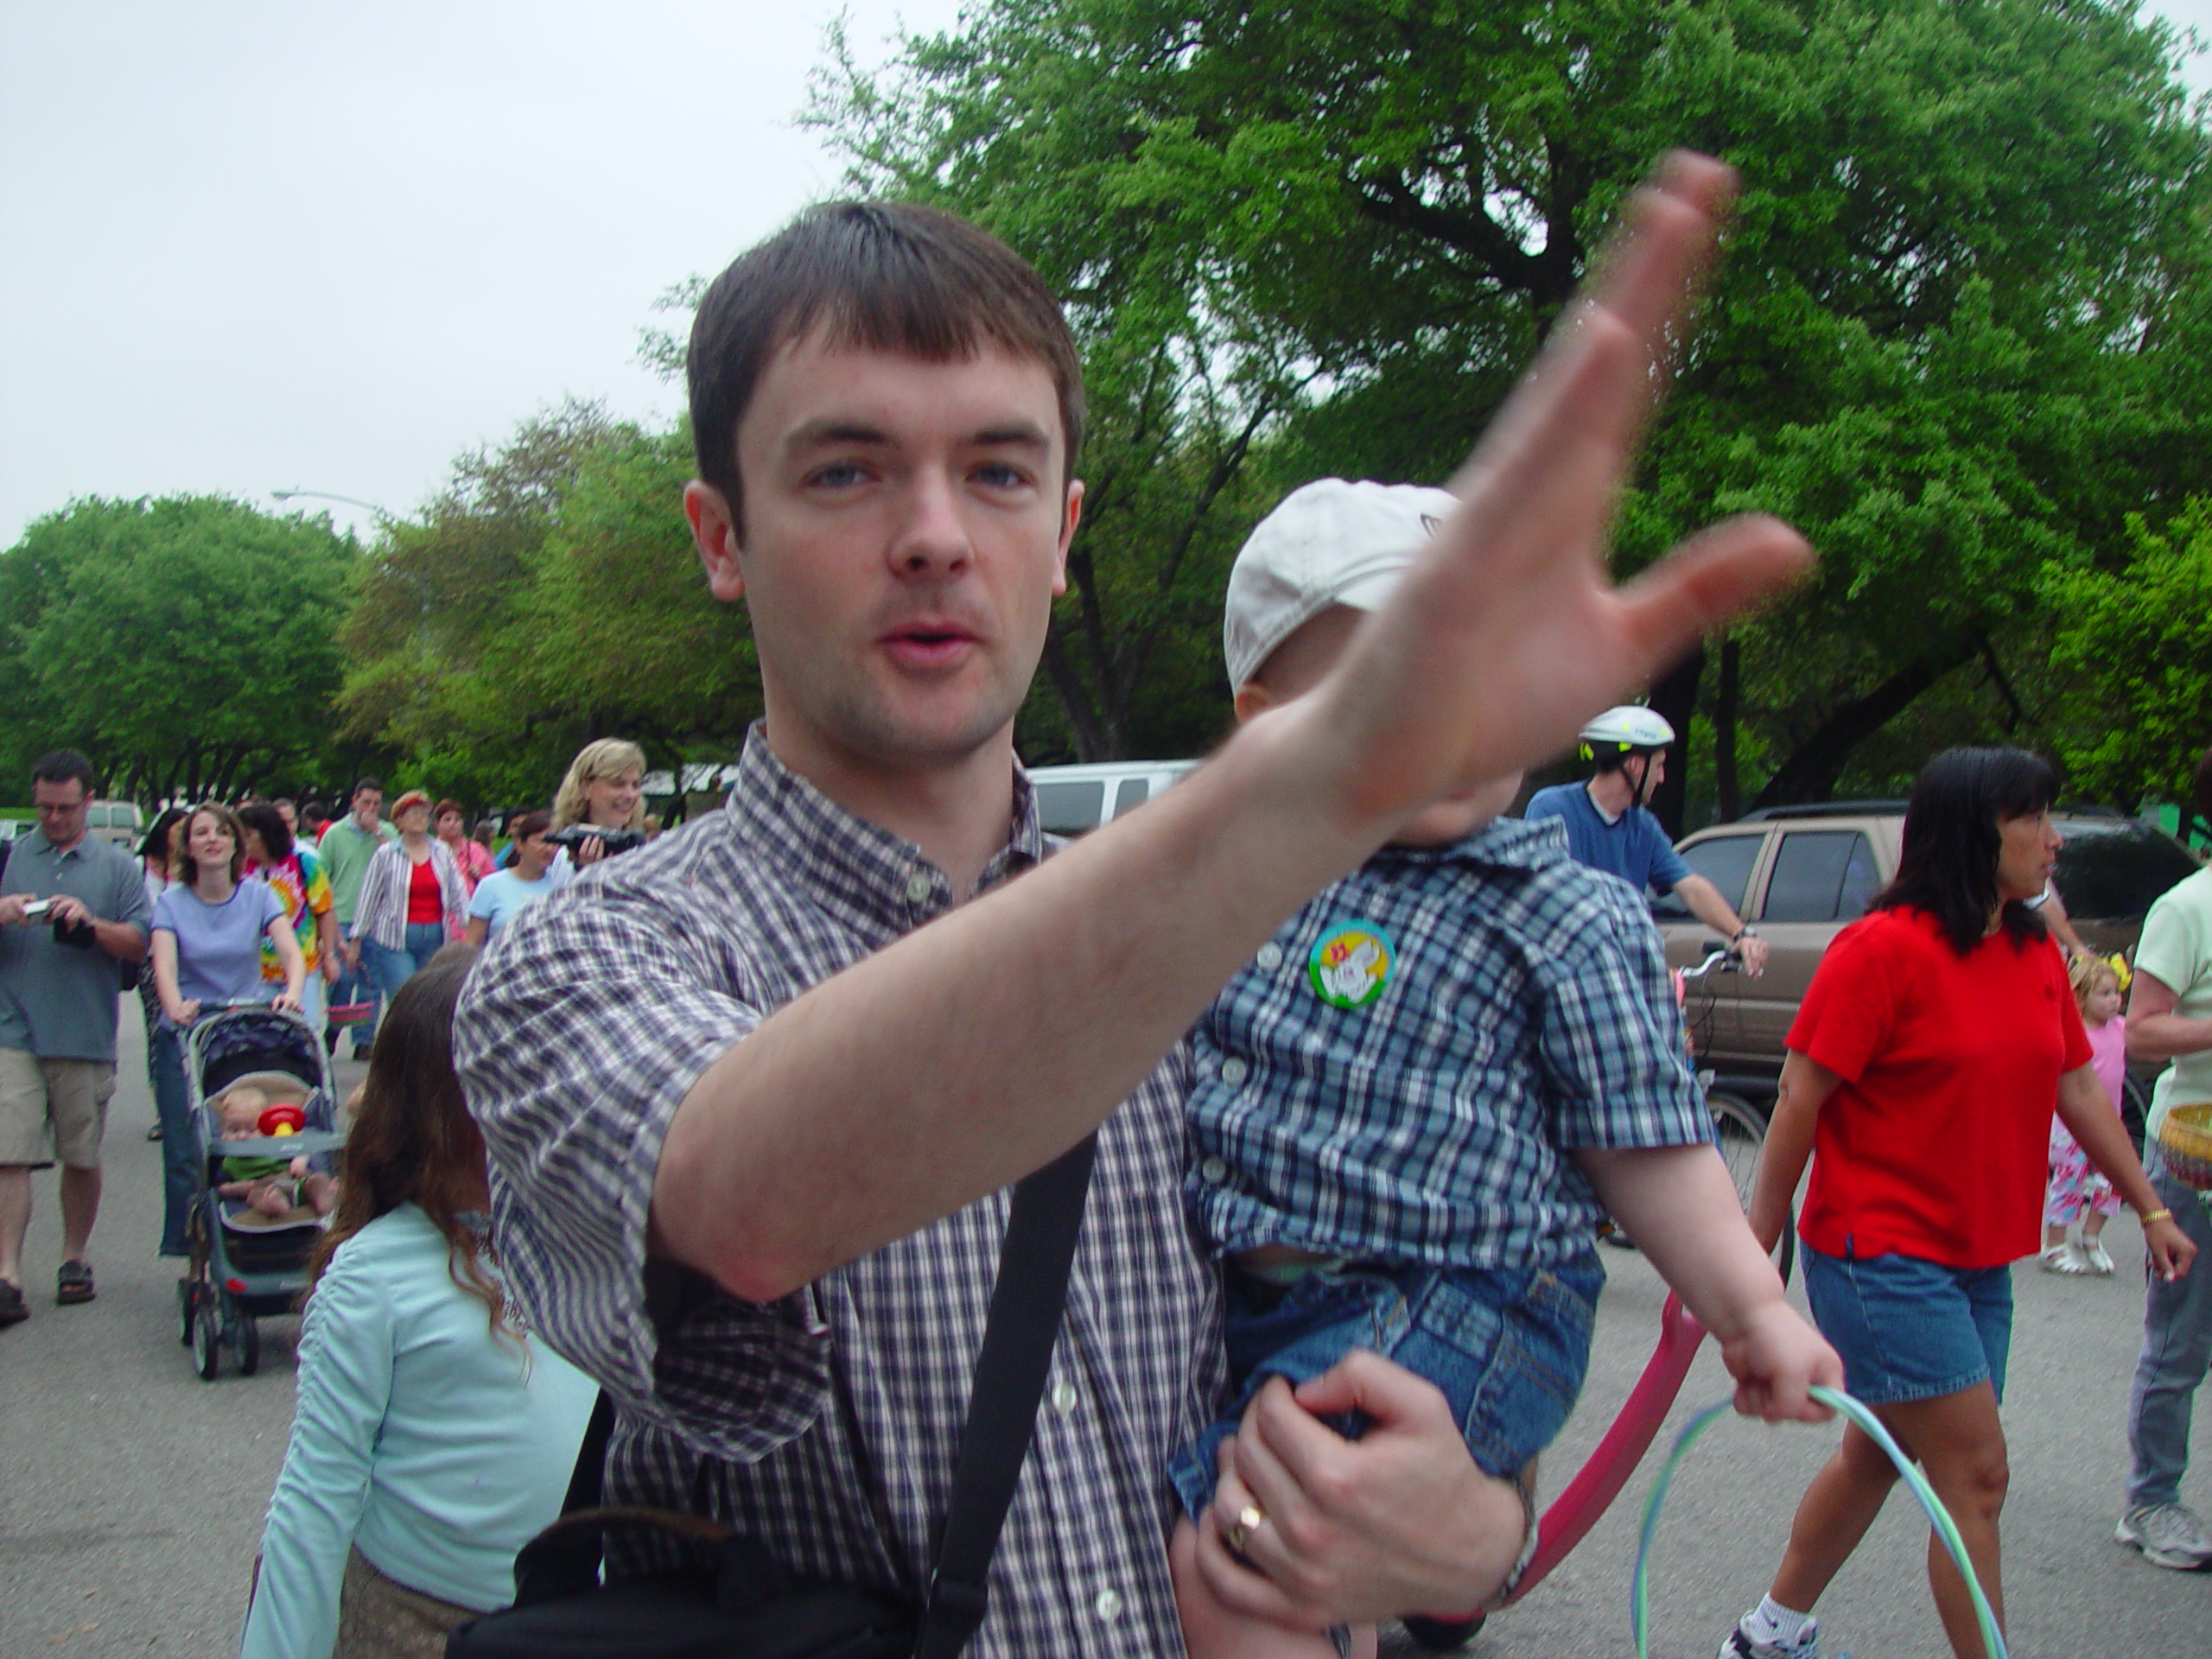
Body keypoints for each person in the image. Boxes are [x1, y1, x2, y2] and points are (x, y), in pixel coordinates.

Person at [454, 158, 1823, 1650]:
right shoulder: (589, 953)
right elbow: (744, 1199)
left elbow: (1418, 1317)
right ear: (720, 536)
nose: (934, 533)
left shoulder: (1282, 945)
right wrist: (1318, 782)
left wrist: (1467, 1527)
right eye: (844, 470)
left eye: (997, 470)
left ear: (1062, 528)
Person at [1166, 480, 1837, 1658]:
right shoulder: (1237, 882)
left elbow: (1645, 1139)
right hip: (1259, 1307)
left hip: (1458, 1297)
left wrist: (1753, 1308)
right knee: (1270, 1555)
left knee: (1248, 1557)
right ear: (1270, 716)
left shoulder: (1557, 910)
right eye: (1400, 685)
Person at [1724, 748, 2192, 1659]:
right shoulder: (1881, 949)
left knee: (1877, 1456)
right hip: (1880, 1254)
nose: (2054, 840)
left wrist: (2149, 1209)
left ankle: (1765, 1636)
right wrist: (1756, 1247)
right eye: (2035, 819)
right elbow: (1798, 1098)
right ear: (1974, 832)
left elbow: (2080, 1090)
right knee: (1974, 1473)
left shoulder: (2030, 952)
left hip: (1978, 1258)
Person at [239, 946, 596, 1659]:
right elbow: (315, 1502)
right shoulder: (375, 1275)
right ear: (444, 1109)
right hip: (421, 1623)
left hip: (588, 1614)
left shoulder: (595, 1241)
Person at [0, 751, 151, 1324]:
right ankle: (8, 1274)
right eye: (44, 807)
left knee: (79, 1155)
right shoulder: (10, 856)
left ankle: (73, 1257)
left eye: (65, 808)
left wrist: (89, 924)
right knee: (8, 1152)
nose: (54, 818)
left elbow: (139, 943)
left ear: (89, 801)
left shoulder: (117, 868)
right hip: (12, 1026)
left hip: (83, 1030)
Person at [2114, 741, 2212, 1571]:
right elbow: (2141, 1031)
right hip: (2194, 1156)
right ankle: (2151, 1501)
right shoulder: (2188, 907)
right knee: (2180, 1343)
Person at [149, 804, 306, 1259]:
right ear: (189, 846)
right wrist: (174, 1002)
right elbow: (164, 962)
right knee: (187, 1147)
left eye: (222, 832)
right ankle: (193, 1245)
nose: (212, 839)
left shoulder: (259, 895)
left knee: (257, 1127)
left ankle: (267, 1220)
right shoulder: (170, 902)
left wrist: (292, 991)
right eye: (202, 833)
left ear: (237, 843)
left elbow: (291, 953)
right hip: (188, 1029)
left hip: (241, 1029)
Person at [1524, 708, 1771, 976]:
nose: (1662, 777)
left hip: (1619, 974)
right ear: (1636, 765)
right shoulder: (1552, 808)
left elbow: (1691, 887)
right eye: (1659, 765)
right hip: (1564, 974)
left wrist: (1741, 934)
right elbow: (1542, 895)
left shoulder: (1643, 826)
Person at [2041, 954, 2128, 1275]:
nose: (2114, 1000)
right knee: (2069, 1180)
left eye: (2116, 993)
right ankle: (2054, 1245)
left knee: (2116, 1179)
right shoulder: (2073, 1034)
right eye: (2104, 994)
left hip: (2109, 1121)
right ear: (2081, 995)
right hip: (2070, 1126)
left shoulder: (2121, 1028)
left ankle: (2091, 1236)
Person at [352, 791, 467, 1008]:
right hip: (395, 939)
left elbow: (457, 890)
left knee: (429, 1000)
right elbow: (368, 898)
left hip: (435, 937)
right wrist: (356, 940)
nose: (419, 818)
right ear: (399, 820)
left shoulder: (441, 852)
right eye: (413, 813)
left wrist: (468, 925)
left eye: (424, 814)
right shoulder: (386, 854)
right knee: (404, 999)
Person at [239, 801, 341, 1039]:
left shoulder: (304, 862)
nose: (242, 840)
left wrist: (329, 955)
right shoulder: (239, 868)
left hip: (303, 965)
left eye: (248, 834)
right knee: (258, 1035)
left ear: (266, 834)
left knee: (303, 1031)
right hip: (255, 971)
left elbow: (324, 910)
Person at [317, 780, 397, 1058]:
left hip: (377, 918)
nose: (371, 809)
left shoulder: (386, 834)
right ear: (354, 801)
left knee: (371, 981)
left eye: (376, 804)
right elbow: (323, 878)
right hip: (344, 914)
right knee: (343, 978)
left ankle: (364, 1039)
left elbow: (397, 865)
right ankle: (334, 1027)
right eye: (366, 803)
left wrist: (377, 832)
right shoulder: (335, 834)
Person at [135, 806, 188, 1141]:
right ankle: (163, 1111)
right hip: (150, 961)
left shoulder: (191, 869)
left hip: (187, 961)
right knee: (159, 1034)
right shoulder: (141, 867)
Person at [214, 1084, 335, 1219]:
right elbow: (220, 1188)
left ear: (265, 1130)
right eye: (234, 1130)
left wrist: (300, 1160)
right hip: (262, 1189)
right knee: (255, 1196)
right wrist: (237, 1188)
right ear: (223, 1134)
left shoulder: (274, 1143)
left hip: (294, 1184)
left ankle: (325, 1201)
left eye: (251, 1130)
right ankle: (274, 1205)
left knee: (318, 1179)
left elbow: (300, 1148)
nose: (242, 1136)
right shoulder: (228, 1160)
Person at [461, 811, 559, 947]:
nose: (549, 849)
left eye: (554, 843)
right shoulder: (491, 886)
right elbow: (472, 944)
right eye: (542, 841)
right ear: (519, 843)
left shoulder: (561, 885)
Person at [549, 738, 646, 870]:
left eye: (635, 785)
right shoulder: (568, 857)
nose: (630, 795)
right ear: (586, 788)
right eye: (617, 784)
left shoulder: (643, 851)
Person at [435, 799, 496, 893]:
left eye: (457, 819)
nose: (453, 824)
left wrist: (479, 876)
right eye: (447, 819)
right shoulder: (430, 851)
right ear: (437, 824)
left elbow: (494, 883)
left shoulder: (476, 850)